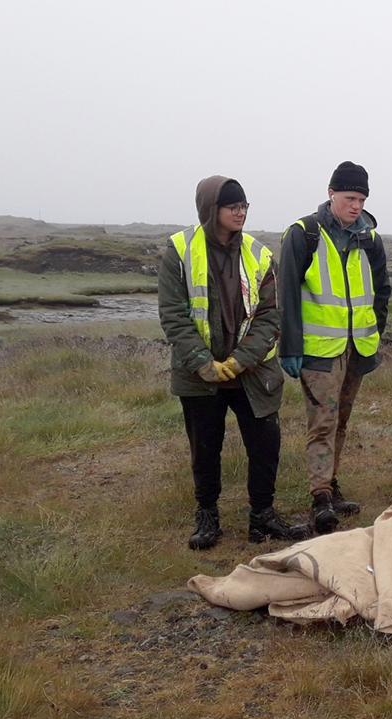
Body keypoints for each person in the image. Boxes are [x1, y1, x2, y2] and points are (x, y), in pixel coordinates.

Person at [158, 176, 307, 550]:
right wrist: (203, 363)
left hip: (253, 374)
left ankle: (263, 517)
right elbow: (173, 315)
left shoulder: (259, 254)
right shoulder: (179, 251)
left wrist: (239, 361)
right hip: (200, 377)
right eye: (232, 207)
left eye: (244, 206)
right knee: (205, 449)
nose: (240, 213)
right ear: (212, 210)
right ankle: (207, 516)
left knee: (265, 446)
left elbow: (271, 314)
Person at [277, 161, 391, 534]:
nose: (356, 206)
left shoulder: (369, 239)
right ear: (331, 195)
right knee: (322, 423)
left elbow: (380, 291)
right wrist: (290, 347)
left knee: (341, 420)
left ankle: (332, 483)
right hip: (319, 351)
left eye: (361, 199)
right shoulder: (304, 234)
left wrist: (375, 329)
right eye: (349, 198)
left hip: (357, 348)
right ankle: (320, 497)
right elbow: (288, 294)